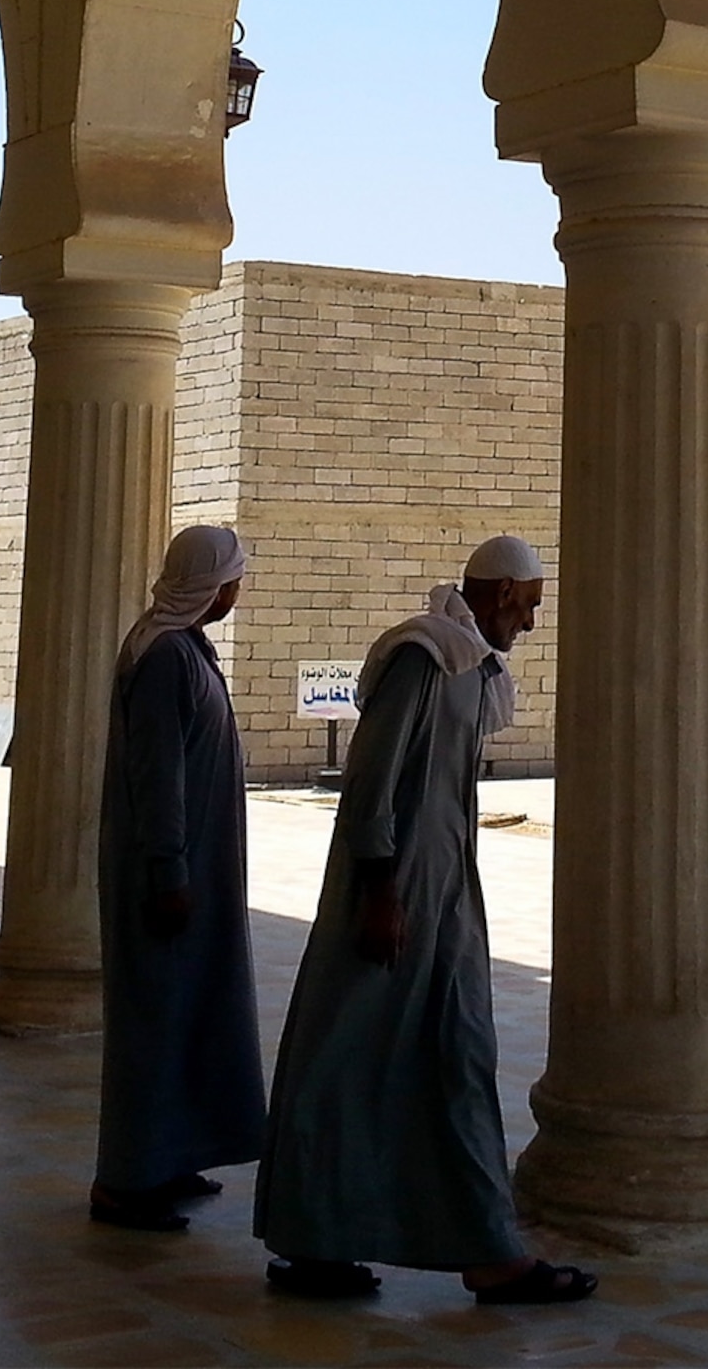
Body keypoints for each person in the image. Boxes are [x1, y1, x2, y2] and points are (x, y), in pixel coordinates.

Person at [255, 535, 596, 1306]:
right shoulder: (424, 658)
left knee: (448, 1058)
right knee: (349, 1061)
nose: (533, 625)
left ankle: (466, 1245)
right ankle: (339, 1242)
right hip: (393, 898)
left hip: (440, 896)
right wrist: (380, 894)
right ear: (504, 592)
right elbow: (370, 785)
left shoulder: (469, 668)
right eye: (532, 605)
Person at [91, 523, 266, 1232]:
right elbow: (157, 775)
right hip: (169, 872)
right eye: (231, 578)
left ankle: (170, 1154)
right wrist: (169, 870)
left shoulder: (185, 646)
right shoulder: (165, 657)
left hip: (197, 868)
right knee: (154, 1024)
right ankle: (126, 1180)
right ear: (208, 584)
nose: (236, 589)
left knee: (187, 1015)